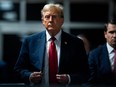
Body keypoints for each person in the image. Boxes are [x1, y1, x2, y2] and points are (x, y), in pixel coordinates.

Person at [14, 3, 89, 87]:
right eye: (47, 17)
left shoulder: (76, 43)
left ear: (62, 20)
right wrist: (30, 76)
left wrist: (69, 78)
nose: (50, 20)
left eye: (54, 16)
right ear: (43, 21)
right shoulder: (30, 42)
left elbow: (85, 73)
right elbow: (19, 69)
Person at [88, 19, 116, 86]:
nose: (115, 35)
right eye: (111, 32)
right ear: (105, 34)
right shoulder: (94, 55)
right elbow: (89, 82)